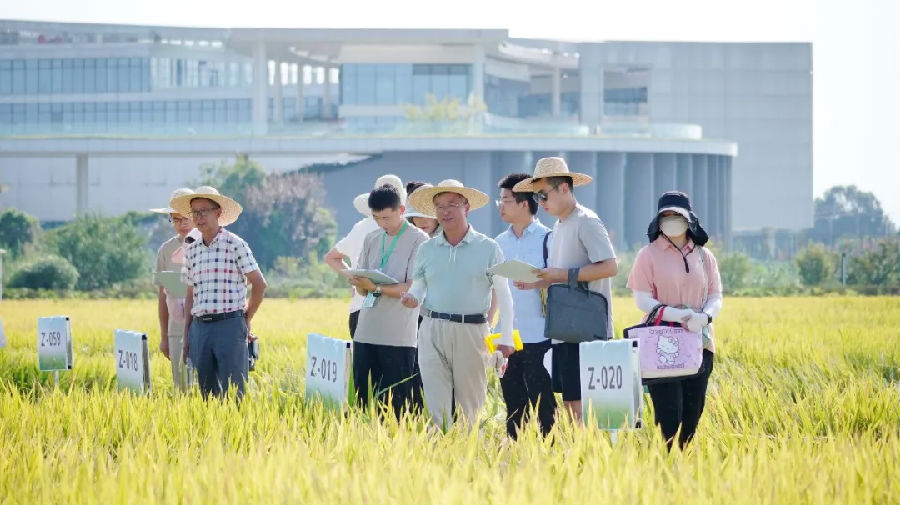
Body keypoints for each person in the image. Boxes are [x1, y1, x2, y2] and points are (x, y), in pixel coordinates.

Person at [401, 179, 516, 430]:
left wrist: (506, 337)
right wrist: (412, 296)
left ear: (466, 207)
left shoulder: (488, 248)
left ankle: (467, 452)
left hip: (472, 331)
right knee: (437, 407)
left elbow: (504, 294)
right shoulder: (427, 248)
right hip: (432, 329)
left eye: (452, 204)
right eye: (439, 206)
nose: (445, 211)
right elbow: (419, 285)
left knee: (469, 408)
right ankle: (439, 453)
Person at [513, 157, 618, 422]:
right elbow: (563, 272)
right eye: (536, 197)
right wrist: (541, 280)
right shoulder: (559, 225)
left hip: (587, 328)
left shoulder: (586, 221)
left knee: (583, 403)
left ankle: (586, 447)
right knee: (571, 401)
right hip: (565, 327)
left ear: (563, 188)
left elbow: (609, 267)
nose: (541, 202)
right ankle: (576, 447)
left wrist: (559, 275)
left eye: (543, 195)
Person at [626, 191, 722, 449]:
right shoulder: (648, 255)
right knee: (669, 416)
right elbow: (642, 299)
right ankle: (666, 462)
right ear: (658, 221)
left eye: (676, 215)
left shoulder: (705, 256)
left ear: (688, 219)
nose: (671, 220)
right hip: (661, 344)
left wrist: (704, 317)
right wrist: (677, 315)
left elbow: (715, 295)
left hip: (700, 343)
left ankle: (685, 460)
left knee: (693, 413)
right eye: (665, 216)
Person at [171, 186, 267, 400]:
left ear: (218, 213)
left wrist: (246, 318)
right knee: (207, 394)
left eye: (204, 211)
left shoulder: (235, 244)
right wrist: (187, 335)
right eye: (195, 212)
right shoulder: (192, 250)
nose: (199, 217)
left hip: (229, 326)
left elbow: (259, 284)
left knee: (235, 393)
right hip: (200, 328)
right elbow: (190, 295)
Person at [349, 185, 429, 416]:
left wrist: (375, 287)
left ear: (401, 210)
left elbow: (413, 286)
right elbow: (362, 289)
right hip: (366, 330)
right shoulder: (372, 238)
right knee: (363, 402)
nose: (382, 223)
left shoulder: (419, 240)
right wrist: (358, 282)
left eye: (386, 217)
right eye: (376, 218)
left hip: (398, 335)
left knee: (396, 406)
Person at [494, 173, 556, 439]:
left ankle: (551, 456)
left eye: (506, 200)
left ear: (524, 203)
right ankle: (516, 456)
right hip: (507, 338)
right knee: (513, 408)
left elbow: (560, 280)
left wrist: (539, 281)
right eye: (500, 200)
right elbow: (493, 291)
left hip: (540, 337)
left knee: (545, 408)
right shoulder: (498, 243)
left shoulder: (548, 239)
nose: (500, 206)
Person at [325, 175, 406, 339]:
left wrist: (353, 277)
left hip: (359, 309)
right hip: (390, 313)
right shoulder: (403, 229)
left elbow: (332, 257)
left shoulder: (359, 227)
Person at [150, 187, 196, 392]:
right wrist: (164, 336)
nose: (181, 224)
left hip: (205, 324)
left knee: (207, 389)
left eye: (185, 218)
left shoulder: (209, 244)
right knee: (182, 386)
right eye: (175, 219)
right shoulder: (166, 250)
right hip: (176, 328)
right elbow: (162, 296)